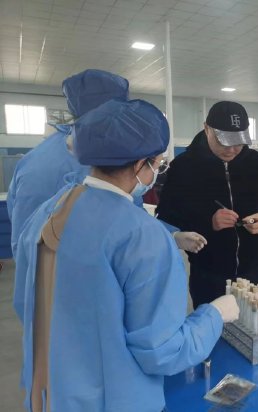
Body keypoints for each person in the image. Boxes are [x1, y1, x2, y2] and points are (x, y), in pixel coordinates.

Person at [13, 99, 239, 412]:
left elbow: (26, 303)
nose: (156, 170)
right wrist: (214, 315)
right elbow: (164, 351)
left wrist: (170, 237)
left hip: (48, 395)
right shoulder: (143, 236)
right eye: (158, 164)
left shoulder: (48, 211)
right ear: (141, 164)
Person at [156, 101, 258, 308]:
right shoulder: (183, 167)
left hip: (254, 271)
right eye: (224, 142)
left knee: (253, 322)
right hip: (209, 274)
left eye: (238, 142)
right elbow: (167, 218)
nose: (232, 150)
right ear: (207, 128)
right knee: (211, 325)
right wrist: (208, 222)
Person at [7, 69, 128, 256]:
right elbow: (126, 226)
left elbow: (17, 215)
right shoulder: (106, 159)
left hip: (31, 265)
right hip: (88, 267)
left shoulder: (34, 157)